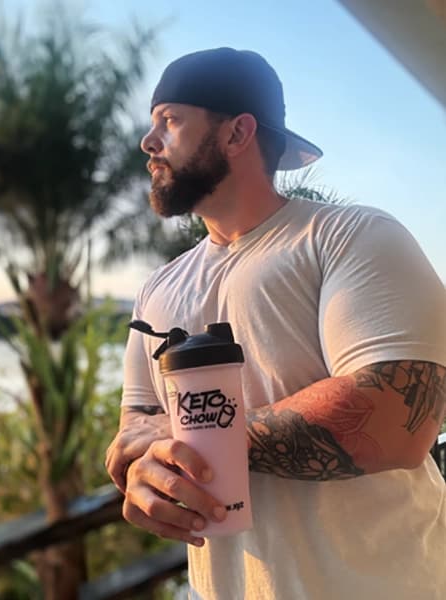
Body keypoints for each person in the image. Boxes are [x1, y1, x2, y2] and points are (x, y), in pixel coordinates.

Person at [104, 47, 446, 599]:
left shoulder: (350, 238)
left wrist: (191, 433)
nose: (149, 141)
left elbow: (396, 420)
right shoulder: (157, 290)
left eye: (170, 119)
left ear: (238, 133)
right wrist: (144, 476)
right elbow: (136, 431)